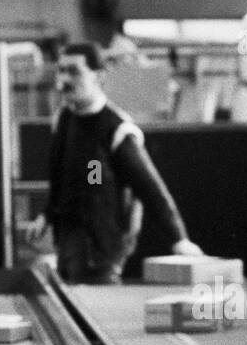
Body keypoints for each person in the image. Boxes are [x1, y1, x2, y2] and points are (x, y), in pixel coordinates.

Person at [25, 42, 202, 283]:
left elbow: (150, 187)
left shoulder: (116, 129)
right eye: (61, 70)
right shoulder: (64, 119)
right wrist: (46, 215)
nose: (65, 79)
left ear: (99, 75)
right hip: (67, 241)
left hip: (101, 248)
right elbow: (59, 178)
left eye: (74, 71)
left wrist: (178, 238)